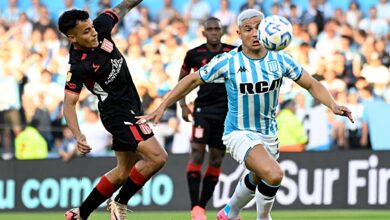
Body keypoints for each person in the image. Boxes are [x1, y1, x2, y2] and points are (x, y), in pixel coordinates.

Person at [138, 9, 353, 220]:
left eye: (258, 27)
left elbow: (312, 84)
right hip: (237, 132)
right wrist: (163, 106)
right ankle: (263, 217)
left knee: (258, 176)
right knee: (275, 174)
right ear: (239, 33)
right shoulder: (228, 62)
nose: (254, 33)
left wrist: (332, 105)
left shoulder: (280, 60)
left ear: (267, 29)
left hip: (268, 133)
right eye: (247, 29)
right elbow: (191, 80)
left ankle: (229, 213)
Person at [58, 1, 168, 219]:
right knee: (157, 157)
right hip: (118, 114)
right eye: (87, 31)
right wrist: (78, 134)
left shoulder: (101, 27)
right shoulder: (79, 66)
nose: (94, 32)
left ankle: (81, 213)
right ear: (72, 38)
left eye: (92, 26)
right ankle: (119, 201)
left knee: (122, 172)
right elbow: (68, 104)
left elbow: (124, 6)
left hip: (132, 107)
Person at [178, 17, 235, 220]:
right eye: (209, 29)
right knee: (197, 153)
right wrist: (183, 105)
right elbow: (182, 79)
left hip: (227, 113)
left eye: (216, 29)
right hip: (203, 110)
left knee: (217, 158)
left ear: (222, 31)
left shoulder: (234, 52)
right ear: (203, 33)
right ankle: (196, 209)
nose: (213, 32)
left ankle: (202, 205)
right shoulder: (194, 55)